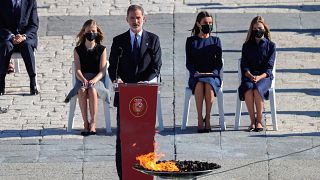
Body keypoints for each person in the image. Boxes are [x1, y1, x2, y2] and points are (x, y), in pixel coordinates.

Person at [108, 5, 162, 179]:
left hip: (145, 96)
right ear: (127, 19)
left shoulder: (153, 40)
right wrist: (117, 80)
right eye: (132, 18)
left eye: (138, 18)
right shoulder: (119, 41)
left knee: (144, 139)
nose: (135, 21)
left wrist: (145, 82)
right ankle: (123, 175)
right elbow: (113, 67)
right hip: (125, 97)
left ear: (144, 19)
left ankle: (145, 174)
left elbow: (156, 66)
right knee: (123, 139)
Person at [65, 19, 109, 136]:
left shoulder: (102, 49)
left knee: (93, 90)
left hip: (97, 79)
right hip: (82, 79)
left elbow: (102, 70)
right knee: (82, 90)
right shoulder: (78, 50)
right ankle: (85, 123)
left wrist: (93, 81)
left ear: (97, 32)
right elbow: (77, 69)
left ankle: (93, 123)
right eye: (88, 31)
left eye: (93, 31)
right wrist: (84, 80)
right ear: (84, 32)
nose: (91, 33)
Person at [185, 11, 223, 133]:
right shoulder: (191, 41)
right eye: (205, 23)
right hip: (196, 75)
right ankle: (200, 119)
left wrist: (213, 72)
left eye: (210, 23)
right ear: (198, 24)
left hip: (212, 75)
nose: (208, 25)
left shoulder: (216, 41)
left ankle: (208, 118)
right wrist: (195, 72)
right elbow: (189, 62)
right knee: (201, 83)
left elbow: (219, 62)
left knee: (208, 84)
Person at [238, 16, 276, 132]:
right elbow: (244, 65)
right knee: (249, 88)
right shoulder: (246, 46)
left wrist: (259, 77)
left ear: (264, 28)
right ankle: (252, 121)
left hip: (264, 77)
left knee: (257, 89)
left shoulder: (271, 46)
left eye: (259, 28)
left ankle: (259, 120)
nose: (257, 30)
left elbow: (269, 68)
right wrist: (250, 75)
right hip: (250, 76)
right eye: (254, 28)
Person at [0, 0, 39, 95]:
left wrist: (24, 36)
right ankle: (1, 82)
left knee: (27, 45)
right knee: (5, 45)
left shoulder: (30, 1)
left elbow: (34, 24)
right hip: (8, 38)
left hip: (26, 37)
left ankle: (32, 81)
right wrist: (11, 36)